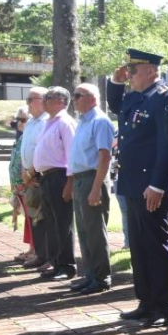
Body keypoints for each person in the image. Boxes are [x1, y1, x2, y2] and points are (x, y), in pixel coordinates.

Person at [107, 49, 168, 327]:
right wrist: (114, 83)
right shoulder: (136, 96)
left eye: (133, 71)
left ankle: (167, 306)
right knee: (139, 247)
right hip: (133, 183)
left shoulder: (164, 98)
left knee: (156, 246)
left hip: (152, 186)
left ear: (151, 71)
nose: (129, 76)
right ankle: (147, 302)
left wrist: (157, 184)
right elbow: (117, 106)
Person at [67, 83, 116, 295]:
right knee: (84, 230)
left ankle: (102, 277)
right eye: (74, 95)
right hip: (80, 179)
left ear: (92, 99)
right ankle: (90, 275)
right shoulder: (83, 122)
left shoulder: (100, 121)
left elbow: (104, 156)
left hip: (92, 179)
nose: (75, 99)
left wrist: (96, 188)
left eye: (79, 95)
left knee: (95, 231)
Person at [30, 87, 77, 281]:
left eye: (47, 98)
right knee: (51, 223)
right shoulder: (48, 122)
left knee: (63, 222)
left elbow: (72, 155)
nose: (44, 101)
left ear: (60, 101)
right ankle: (57, 262)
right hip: (46, 177)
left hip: (60, 177)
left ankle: (67, 266)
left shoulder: (65, 123)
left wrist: (69, 183)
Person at [20, 87, 50, 270]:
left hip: (39, 176)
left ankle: (47, 256)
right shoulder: (31, 122)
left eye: (31, 99)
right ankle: (39, 253)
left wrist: (30, 174)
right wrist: (24, 172)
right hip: (29, 176)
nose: (27, 103)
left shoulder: (47, 122)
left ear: (43, 100)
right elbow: (26, 149)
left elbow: (43, 150)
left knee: (44, 218)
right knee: (34, 218)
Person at [9, 107, 35, 263]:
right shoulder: (21, 137)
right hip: (19, 186)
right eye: (17, 119)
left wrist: (27, 180)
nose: (19, 123)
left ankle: (36, 250)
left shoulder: (30, 137)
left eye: (23, 119)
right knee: (28, 219)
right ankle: (32, 249)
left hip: (28, 185)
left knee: (33, 219)